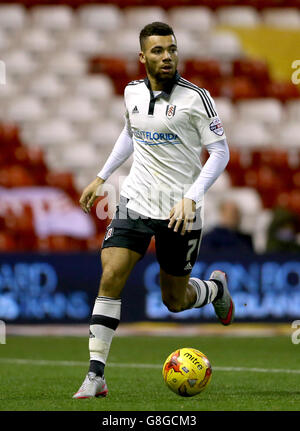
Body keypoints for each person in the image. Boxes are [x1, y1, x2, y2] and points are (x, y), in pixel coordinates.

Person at [73, 22, 234, 399]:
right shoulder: (131, 93)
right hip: (135, 201)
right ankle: (95, 377)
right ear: (142, 57)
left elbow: (221, 152)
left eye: (172, 50)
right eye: (159, 51)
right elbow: (130, 132)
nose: (167, 57)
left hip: (181, 211)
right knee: (111, 274)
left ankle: (215, 288)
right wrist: (101, 177)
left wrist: (192, 196)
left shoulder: (197, 98)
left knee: (173, 301)